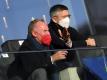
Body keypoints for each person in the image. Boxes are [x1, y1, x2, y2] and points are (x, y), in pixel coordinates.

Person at [48, 4, 96, 80]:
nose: (67, 19)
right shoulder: (48, 30)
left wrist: (87, 41)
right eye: (64, 17)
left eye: (68, 16)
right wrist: (85, 42)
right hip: (58, 66)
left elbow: (82, 39)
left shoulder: (69, 29)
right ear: (54, 19)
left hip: (75, 63)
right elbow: (63, 45)